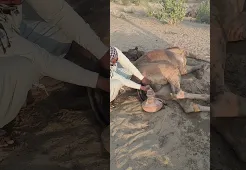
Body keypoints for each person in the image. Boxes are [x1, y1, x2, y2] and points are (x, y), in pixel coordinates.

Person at [0, 0, 149, 147]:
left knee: (60, 34)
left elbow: (59, 13)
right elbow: (44, 61)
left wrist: (103, 54)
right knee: (23, 67)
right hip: (6, 38)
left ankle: (20, 85)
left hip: (12, 32)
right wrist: (100, 82)